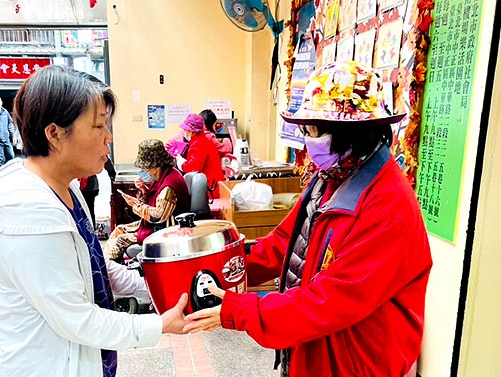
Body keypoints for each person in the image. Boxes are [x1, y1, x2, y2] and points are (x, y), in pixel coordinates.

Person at [184, 61, 433, 377]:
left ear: (351, 134)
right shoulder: (329, 178)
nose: (306, 141)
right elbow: (284, 244)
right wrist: (217, 265)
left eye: (313, 131)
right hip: (315, 348)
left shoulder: (387, 209)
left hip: (355, 361)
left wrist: (242, 310)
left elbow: (328, 301)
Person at [0, 65, 188, 377]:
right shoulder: (30, 215)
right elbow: (77, 319)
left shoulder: (66, 188)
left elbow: (93, 264)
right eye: (99, 127)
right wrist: (158, 324)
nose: (109, 138)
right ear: (55, 134)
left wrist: (152, 288)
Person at [105, 139, 190, 261]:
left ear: (155, 166)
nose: (143, 172)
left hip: (163, 231)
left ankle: (114, 273)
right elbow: (153, 201)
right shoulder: (161, 177)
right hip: (154, 226)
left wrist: (136, 206)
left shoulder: (169, 186)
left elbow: (158, 216)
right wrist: (144, 189)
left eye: (145, 168)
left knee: (118, 242)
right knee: (119, 229)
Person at [175, 113, 225, 199]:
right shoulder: (201, 141)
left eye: (186, 130)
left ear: (192, 132)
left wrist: (181, 163)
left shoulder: (199, 144)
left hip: (210, 190)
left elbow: (193, 168)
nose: (185, 132)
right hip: (211, 186)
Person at [165, 109, 232, 158]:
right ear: (212, 124)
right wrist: (226, 139)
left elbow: (167, 146)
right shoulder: (208, 137)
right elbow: (225, 150)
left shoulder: (184, 132)